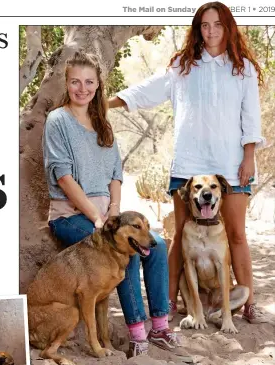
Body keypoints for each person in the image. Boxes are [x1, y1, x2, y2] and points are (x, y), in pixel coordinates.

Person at [108, 1, 267, 324]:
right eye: (204, 25)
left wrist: (249, 156)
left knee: (237, 234)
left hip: (231, 163)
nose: (211, 31)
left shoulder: (243, 69)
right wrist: (105, 102)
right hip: (188, 164)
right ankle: (166, 305)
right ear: (197, 29)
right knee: (181, 235)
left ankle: (248, 305)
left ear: (228, 28)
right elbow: (147, 91)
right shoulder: (182, 66)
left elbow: (250, 117)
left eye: (218, 25)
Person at [43, 50, 192, 362]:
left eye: (88, 82)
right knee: (126, 252)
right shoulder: (58, 121)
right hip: (71, 214)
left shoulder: (103, 123)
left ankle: (160, 326)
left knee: (158, 247)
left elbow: (115, 174)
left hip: (106, 214)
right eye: (75, 82)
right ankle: (138, 335)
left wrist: (115, 207)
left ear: (98, 86)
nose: (81, 88)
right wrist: (96, 216)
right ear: (67, 84)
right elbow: (65, 177)